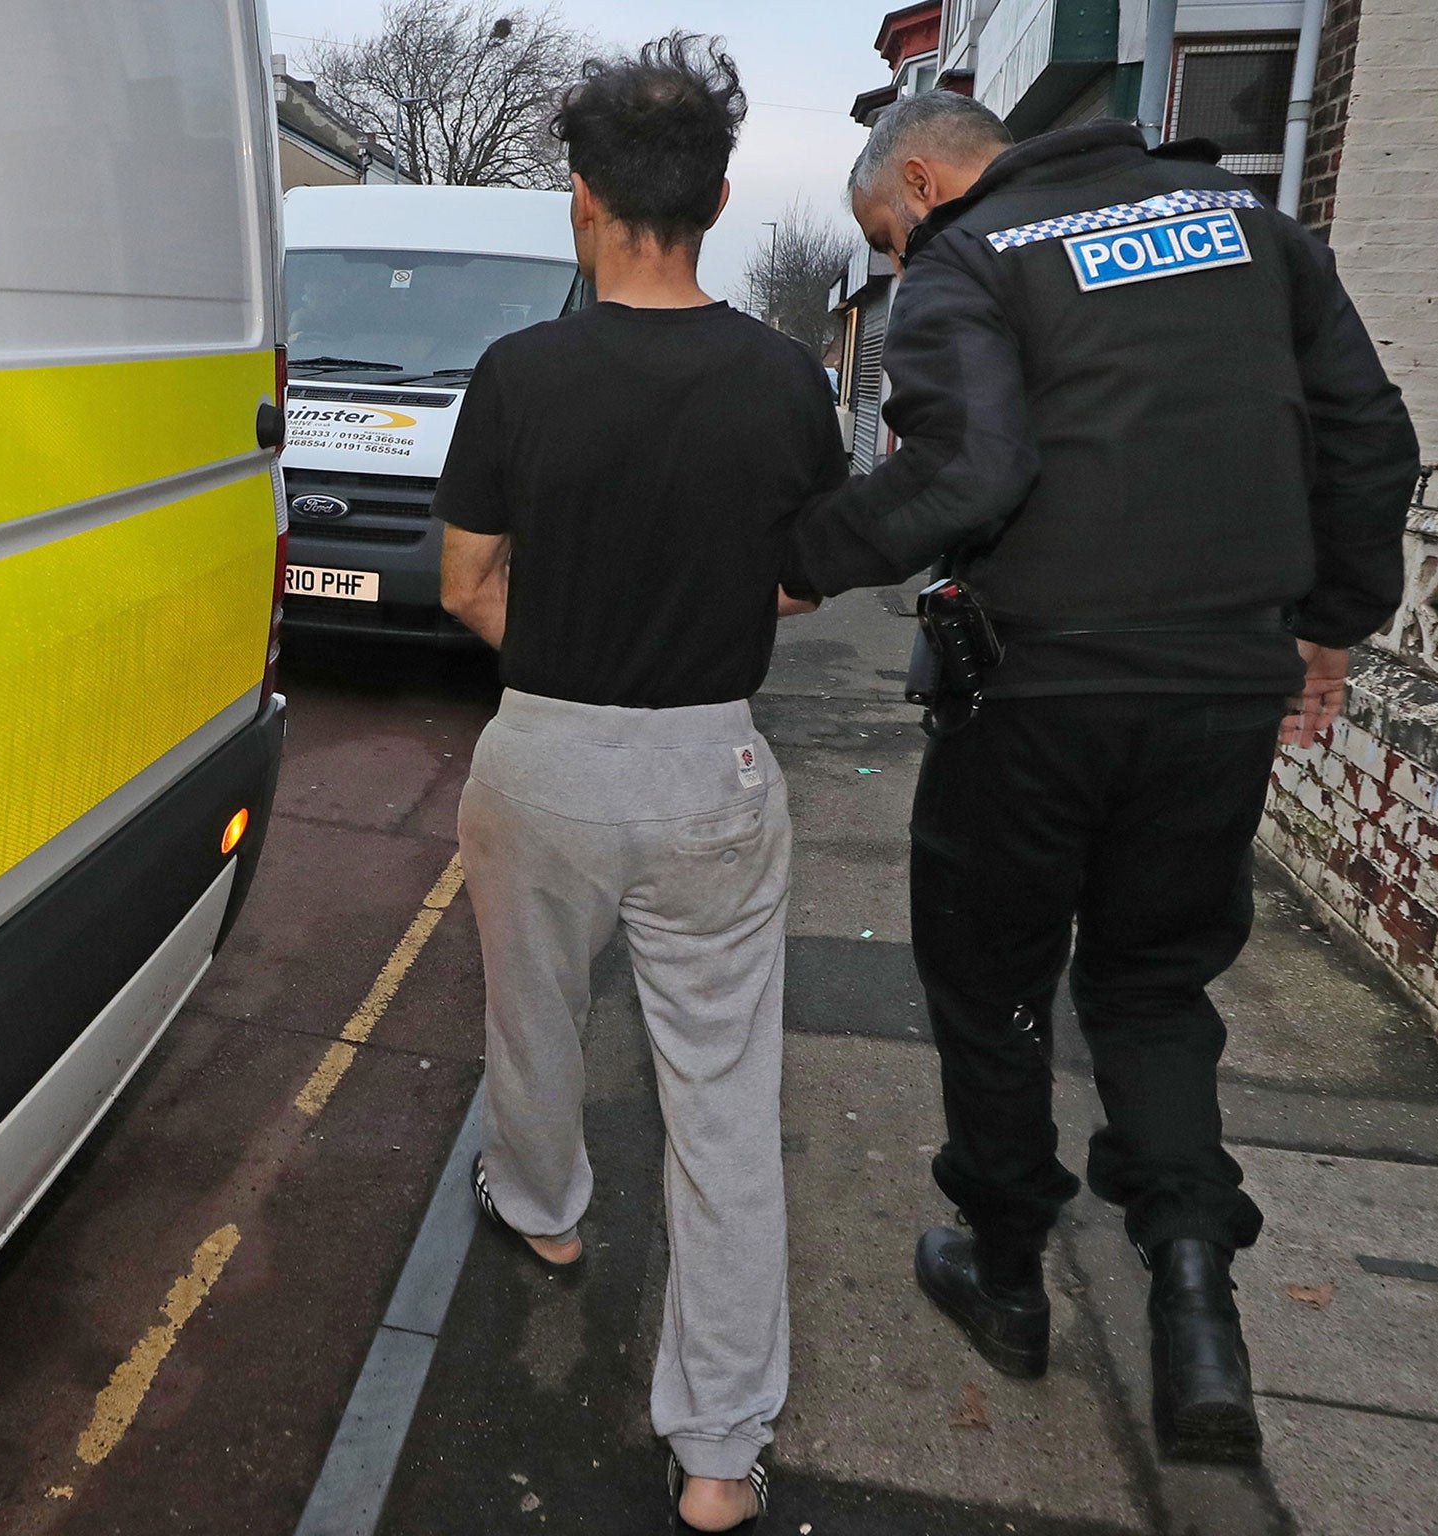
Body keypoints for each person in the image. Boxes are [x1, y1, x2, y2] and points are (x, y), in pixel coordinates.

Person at [780, 92, 1420, 1465]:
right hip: (1215, 694)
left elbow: (967, 468)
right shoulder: (1255, 229)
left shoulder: (975, 258)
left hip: (1040, 689)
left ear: (922, 177)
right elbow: (1368, 436)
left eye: (887, 236)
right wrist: (1330, 625)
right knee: (1152, 984)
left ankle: (1006, 1270)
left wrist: (799, 560)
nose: (895, 267)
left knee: (994, 974)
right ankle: (1196, 1304)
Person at [434, 35, 842, 1534]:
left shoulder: (519, 374)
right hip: (710, 761)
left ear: (582, 200)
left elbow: (469, 580)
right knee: (724, 1105)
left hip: (544, 745)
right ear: (724, 196)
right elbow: (802, 582)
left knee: (529, 1013)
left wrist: (560, 641)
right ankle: (721, 1455)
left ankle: (542, 1217)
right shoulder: (790, 379)